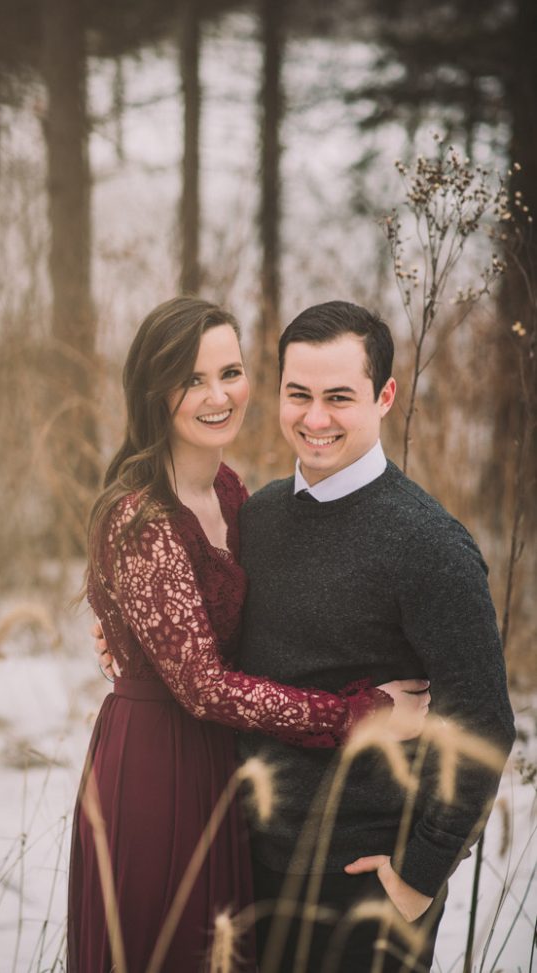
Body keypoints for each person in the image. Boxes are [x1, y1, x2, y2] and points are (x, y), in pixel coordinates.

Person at [69, 296, 430, 973]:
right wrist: (365, 712)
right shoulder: (141, 517)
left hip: (225, 766)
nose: (218, 395)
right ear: (154, 388)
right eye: (192, 378)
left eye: (230, 372)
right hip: (157, 767)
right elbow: (201, 686)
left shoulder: (234, 492)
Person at [236, 301, 516, 972]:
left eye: (339, 397)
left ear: (385, 395)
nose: (315, 418)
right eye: (298, 394)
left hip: (364, 882)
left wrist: (420, 873)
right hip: (249, 866)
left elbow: (483, 722)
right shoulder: (258, 517)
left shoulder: (429, 546)